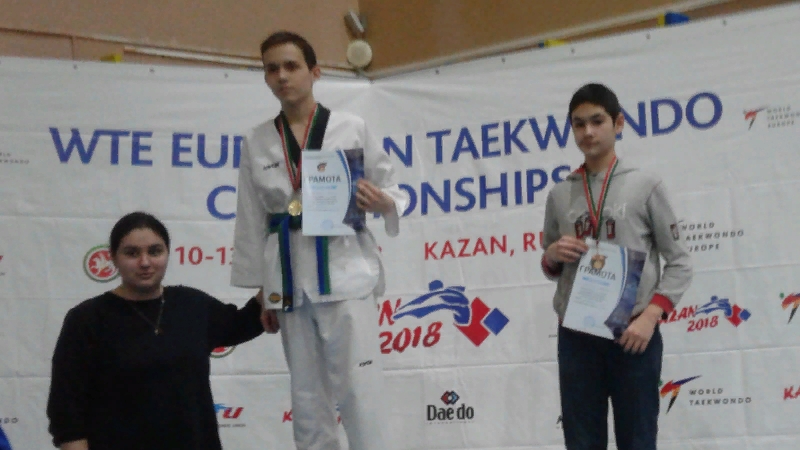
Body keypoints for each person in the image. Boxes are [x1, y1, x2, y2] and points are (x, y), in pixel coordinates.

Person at [230, 31, 408, 450]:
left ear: (315, 72)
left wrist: (383, 202)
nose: (281, 76)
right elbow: (252, 217)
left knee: (360, 392)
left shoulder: (350, 127)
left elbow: (393, 189)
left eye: (291, 66)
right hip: (288, 280)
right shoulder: (257, 140)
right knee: (307, 397)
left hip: (345, 273)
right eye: (271, 69)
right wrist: (264, 290)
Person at [541, 83, 692, 450]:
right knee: (581, 442)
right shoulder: (560, 194)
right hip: (577, 335)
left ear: (618, 123)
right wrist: (552, 255)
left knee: (637, 440)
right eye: (579, 124)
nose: (588, 132)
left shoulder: (645, 185)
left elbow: (680, 262)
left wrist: (650, 317)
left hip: (632, 333)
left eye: (597, 121)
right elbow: (550, 263)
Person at [46, 212, 268, 450]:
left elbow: (246, 322)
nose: (145, 262)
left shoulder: (192, 305)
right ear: (113, 258)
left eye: (155, 251)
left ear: (167, 253)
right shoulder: (87, 319)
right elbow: (66, 411)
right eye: (132, 253)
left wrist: (281, 275)